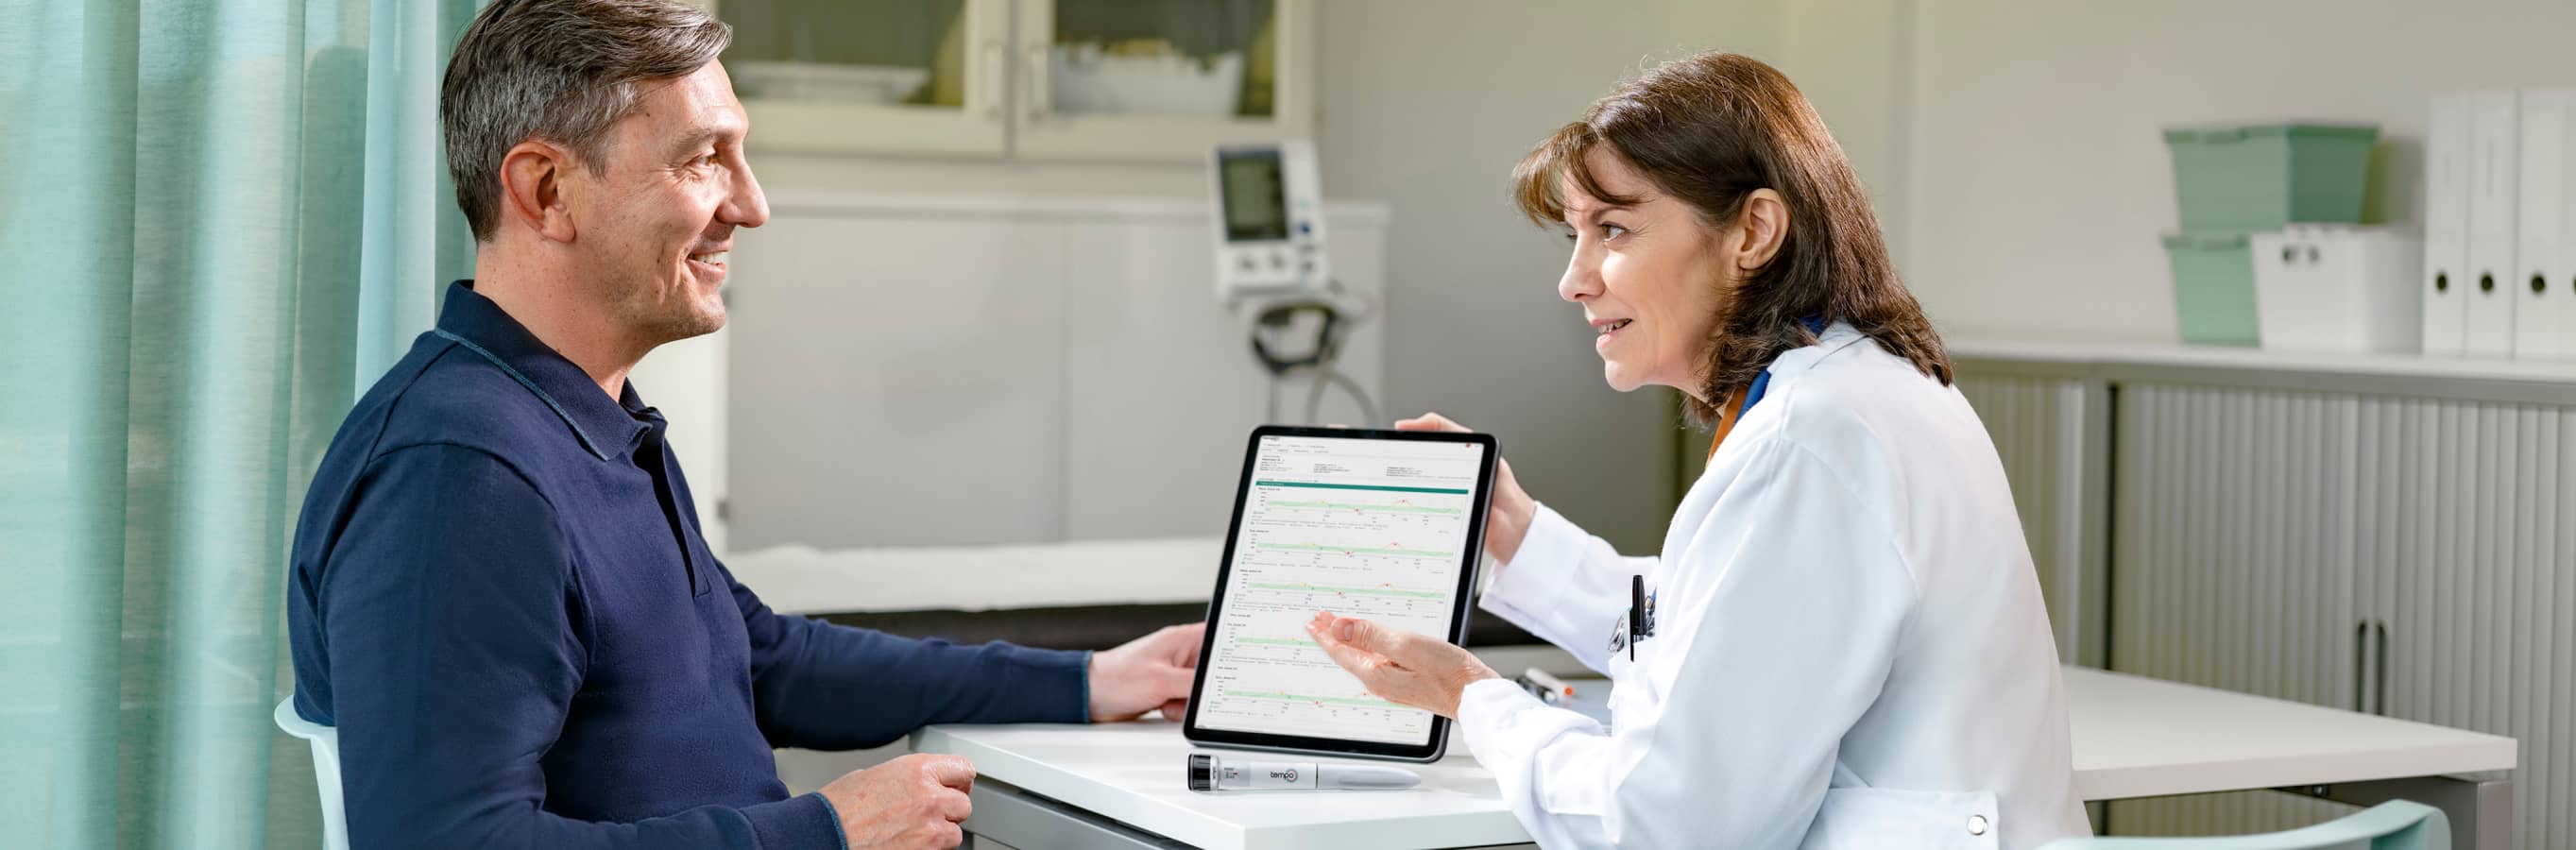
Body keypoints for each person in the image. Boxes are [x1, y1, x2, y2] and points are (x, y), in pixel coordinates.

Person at [281, 2, 1199, 847]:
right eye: (702, 160)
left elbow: (754, 659)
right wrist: (825, 832)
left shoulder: (585, 418)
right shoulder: (459, 478)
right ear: (547, 191)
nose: (751, 206)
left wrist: (1084, 681)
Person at [1303, 52, 2090, 849]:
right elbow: (1723, 630)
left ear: (1752, 231)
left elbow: (1674, 826)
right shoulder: (1853, 390)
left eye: (1612, 229)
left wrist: (1474, 697)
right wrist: (1520, 536)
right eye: (1574, 236)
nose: (1573, 281)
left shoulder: (1808, 439)